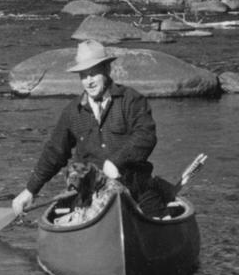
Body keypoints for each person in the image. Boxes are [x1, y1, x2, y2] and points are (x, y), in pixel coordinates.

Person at [10, 40, 168, 219]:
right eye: (83, 75)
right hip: (89, 195)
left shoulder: (131, 100)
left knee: (159, 218)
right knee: (68, 219)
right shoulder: (72, 112)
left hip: (136, 188)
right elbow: (54, 152)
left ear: (107, 70)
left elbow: (146, 136)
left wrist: (116, 161)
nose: (89, 81)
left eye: (94, 74)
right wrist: (30, 190)